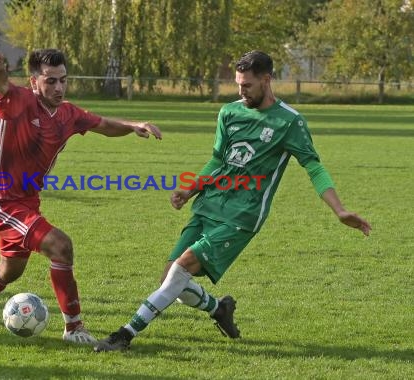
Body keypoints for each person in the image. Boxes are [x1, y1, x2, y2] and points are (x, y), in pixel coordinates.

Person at [94, 50, 372, 352]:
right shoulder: (229, 112)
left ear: (266, 80)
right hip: (209, 204)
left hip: (242, 215)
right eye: (238, 84)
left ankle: (124, 335)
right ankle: (219, 309)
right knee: (170, 282)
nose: (241, 91)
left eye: (247, 85)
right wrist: (191, 189)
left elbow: (314, 167)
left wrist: (340, 209)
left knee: (181, 269)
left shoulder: (289, 122)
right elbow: (218, 160)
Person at [0, 41, 162, 345]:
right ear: (34, 82)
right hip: (1, 199)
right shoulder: (19, 101)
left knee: (11, 269)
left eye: (63, 80)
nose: (59, 87)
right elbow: (0, 84)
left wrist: (132, 125)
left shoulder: (67, 114)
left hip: (27, 200)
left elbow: (102, 124)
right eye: (51, 80)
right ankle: (73, 328)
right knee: (61, 246)